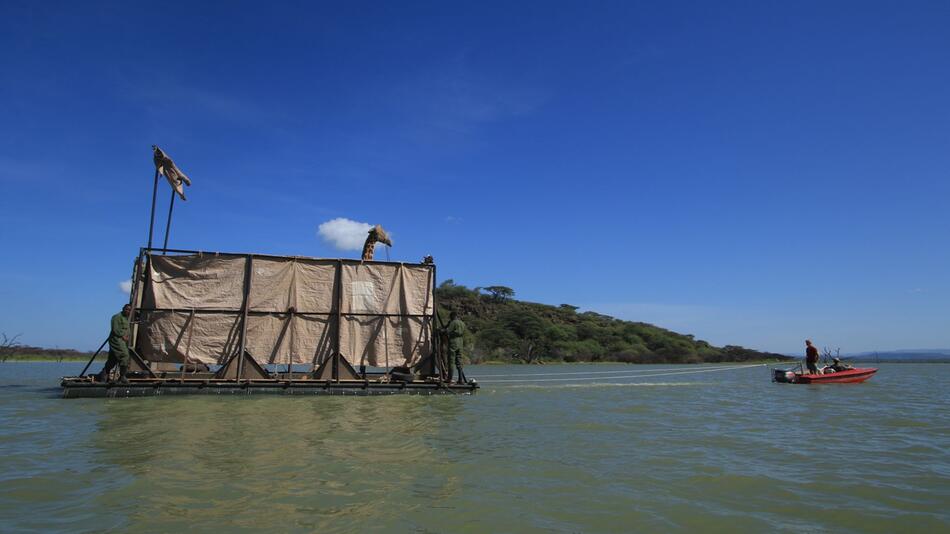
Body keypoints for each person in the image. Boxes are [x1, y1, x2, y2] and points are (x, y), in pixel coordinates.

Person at [96, 304, 132, 383]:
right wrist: (122, 335)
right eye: (126, 309)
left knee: (113, 359)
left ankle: (104, 375)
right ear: (123, 309)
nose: (128, 311)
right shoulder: (116, 317)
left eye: (129, 310)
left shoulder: (126, 318)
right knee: (125, 355)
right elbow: (115, 329)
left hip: (122, 340)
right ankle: (122, 376)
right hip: (116, 340)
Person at [445, 311, 469, 384]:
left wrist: (441, 330)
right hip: (460, 343)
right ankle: (460, 379)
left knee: (451, 361)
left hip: (453, 342)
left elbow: (447, 331)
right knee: (459, 361)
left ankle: (449, 379)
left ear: (452, 316)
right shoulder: (462, 323)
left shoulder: (453, 322)